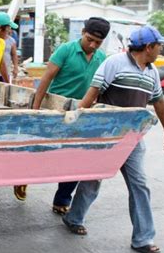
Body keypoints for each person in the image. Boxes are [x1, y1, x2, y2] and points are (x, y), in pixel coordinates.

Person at [62, 25, 164, 253]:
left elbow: (159, 102)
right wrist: (76, 119)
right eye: (159, 45)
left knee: (140, 185)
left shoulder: (152, 72)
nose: (161, 49)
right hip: (107, 135)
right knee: (93, 181)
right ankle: (74, 217)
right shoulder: (114, 63)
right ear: (148, 47)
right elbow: (92, 93)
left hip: (133, 137)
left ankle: (143, 238)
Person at [13, 17, 111, 216]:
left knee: (75, 158)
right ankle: (21, 177)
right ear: (83, 32)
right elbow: (45, 80)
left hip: (79, 114)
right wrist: (35, 110)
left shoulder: (102, 59)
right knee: (41, 153)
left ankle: (62, 200)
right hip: (54, 110)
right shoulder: (66, 50)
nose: (92, 45)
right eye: (89, 39)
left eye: (97, 43)